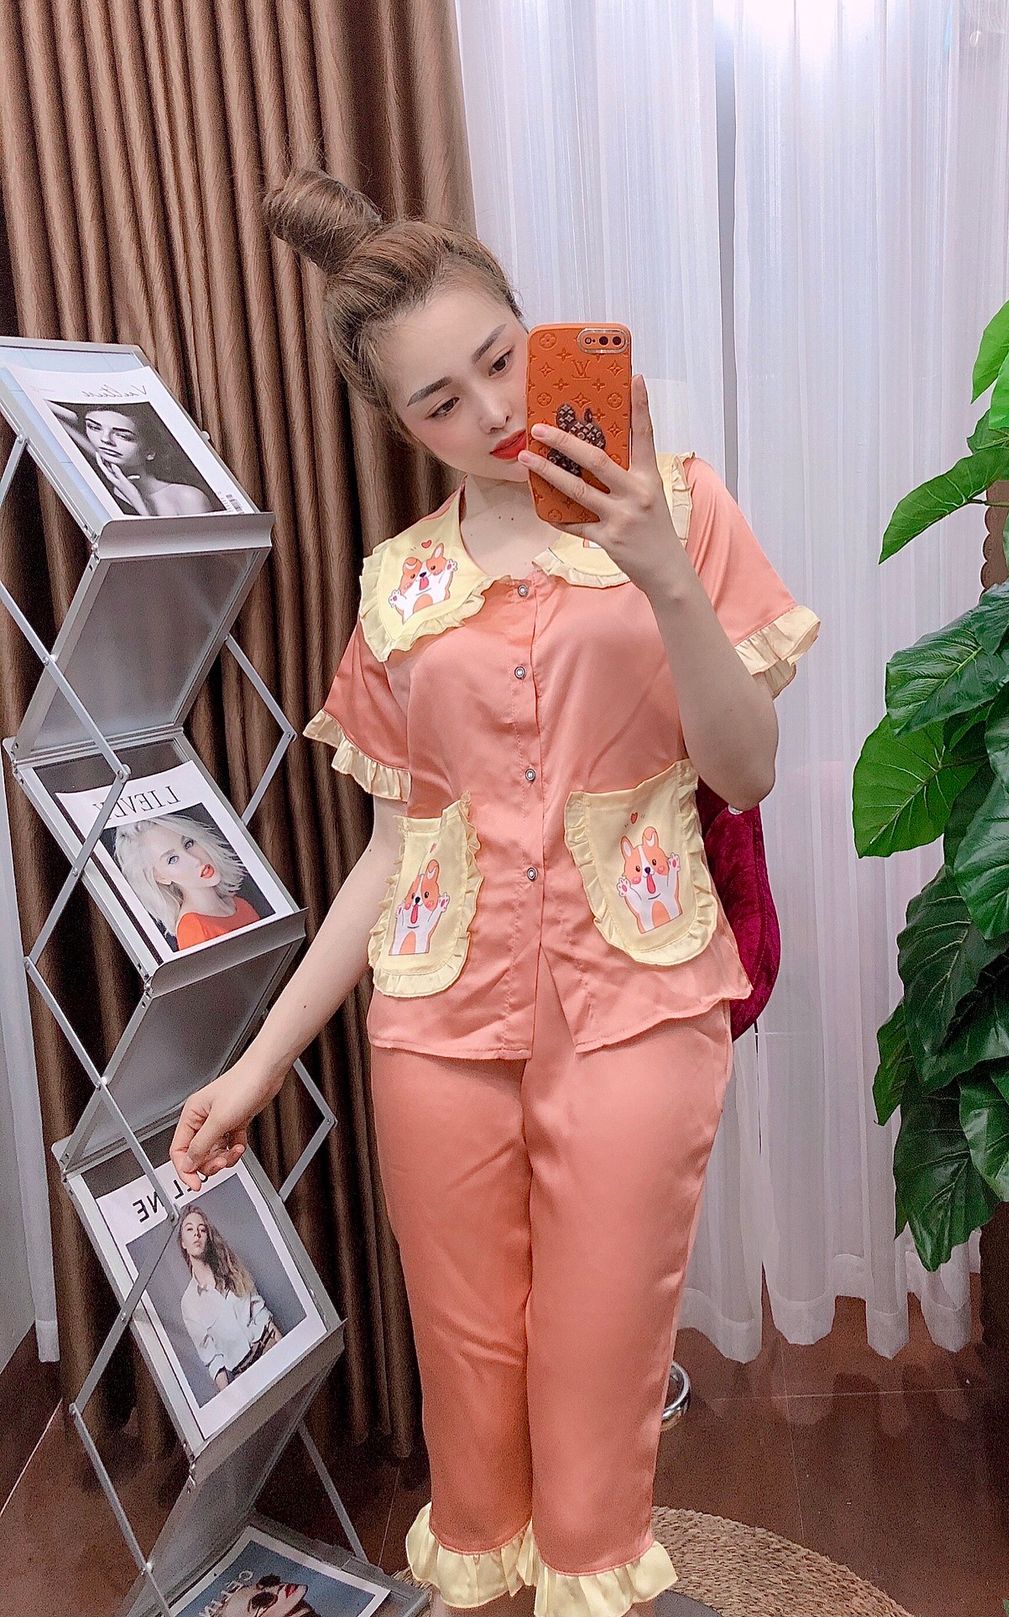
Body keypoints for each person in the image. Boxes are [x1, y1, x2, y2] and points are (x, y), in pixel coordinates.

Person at [169, 167, 819, 1617]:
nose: (491, 410)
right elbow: (397, 850)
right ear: (398, 425)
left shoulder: (681, 506)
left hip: (640, 1002)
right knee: (472, 1399)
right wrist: (258, 1067)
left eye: (501, 359)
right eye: (439, 402)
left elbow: (748, 767)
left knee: (599, 1379)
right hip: (435, 1029)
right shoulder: (399, 587)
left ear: (539, 331)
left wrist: (659, 572)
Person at [111, 811, 263, 950]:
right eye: (172, 859)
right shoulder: (193, 929)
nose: (195, 860)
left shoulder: (239, 904)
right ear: (161, 877)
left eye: (188, 844)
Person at [48, 399, 220, 515]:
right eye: (94, 427)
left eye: (123, 436)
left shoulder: (187, 497)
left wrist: (141, 506)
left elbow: (202, 561)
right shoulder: (96, 484)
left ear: (150, 451)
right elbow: (51, 412)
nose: (105, 440)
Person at [176, 1206, 283, 1392]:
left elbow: (260, 1311)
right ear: (183, 1243)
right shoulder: (189, 1303)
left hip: (269, 1346)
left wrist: (283, 1346)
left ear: (208, 1237)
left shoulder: (231, 1269)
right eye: (190, 1229)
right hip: (245, 1375)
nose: (197, 1234)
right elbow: (212, 1358)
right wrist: (229, 1398)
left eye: (202, 1229)